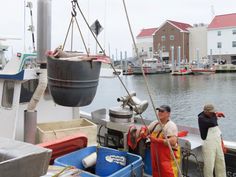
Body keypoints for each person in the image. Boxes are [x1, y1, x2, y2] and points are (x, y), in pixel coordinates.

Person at [144, 105, 181, 177]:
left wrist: (157, 141)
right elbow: (146, 131)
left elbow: (173, 141)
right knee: (156, 173)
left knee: (168, 174)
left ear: (168, 114)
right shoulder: (155, 123)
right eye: (159, 111)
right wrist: (142, 131)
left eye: (162, 111)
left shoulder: (171, 126)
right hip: (156, 156)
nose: (159, 113)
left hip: (167, 159)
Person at [198, 104, 226, 177]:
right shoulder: (201, 118)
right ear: (206, 111)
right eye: (211, 112)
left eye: (213, 112)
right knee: (209, 164)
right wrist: (216, 115)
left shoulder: (212, 116)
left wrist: (222, 143)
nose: (212, 113)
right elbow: (213, 122)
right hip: (208, 144)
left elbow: (218, 131)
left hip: (217, 141)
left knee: (221, 161)